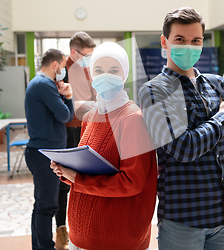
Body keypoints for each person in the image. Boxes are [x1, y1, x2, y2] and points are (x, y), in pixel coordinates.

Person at [139, 7, 224, 250]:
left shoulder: (218, 85)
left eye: (196, 41)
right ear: (165, 42)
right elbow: (184, 148)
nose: (188, 46)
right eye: (180, 40)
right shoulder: (154, 91)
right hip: (184, 219)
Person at [51, 41, 157, 250]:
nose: (105, 75)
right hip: (80, 237)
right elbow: (86, 167)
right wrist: (65, 170)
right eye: (99, 70)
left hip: (115, 240)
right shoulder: (90, 117)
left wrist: (77, 179)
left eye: (113, 70)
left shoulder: (133, 119)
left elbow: (132, 182)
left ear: (124, 75)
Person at [25, 49, 74, 250]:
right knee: (47, 207)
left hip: (42, 151)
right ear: (55, 65)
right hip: (44, 153)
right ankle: (44, 247)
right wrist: (68, 96)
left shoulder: (39, 83)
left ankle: (39, 246)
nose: (62, 70)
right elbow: (65, 115)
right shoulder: (44, 84)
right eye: (62, 66)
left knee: (42, 205)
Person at [55, 32, 96, 250]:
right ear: (73, 52)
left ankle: (83, 226)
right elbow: (59, 103)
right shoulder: (60, 71)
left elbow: (94, 95)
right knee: (64, 183)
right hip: (67, 132)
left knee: (85, 179)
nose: (88, 59)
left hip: (87, 128)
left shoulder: (87, 70)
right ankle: (61, 230)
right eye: (85, 55)